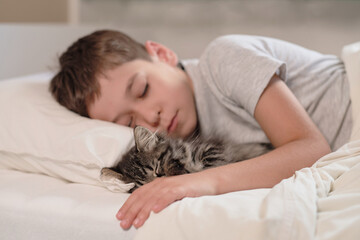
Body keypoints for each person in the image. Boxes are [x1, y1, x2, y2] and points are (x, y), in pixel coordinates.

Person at [50, 30, 352, 229]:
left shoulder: (222, 58)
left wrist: (199, 183)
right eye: (129, 123)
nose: (148, 117)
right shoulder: (183, 146)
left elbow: (312, 150)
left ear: (163, 55)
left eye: (142, 90)